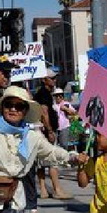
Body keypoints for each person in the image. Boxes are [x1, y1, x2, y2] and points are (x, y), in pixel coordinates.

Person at [34, 69, 72, 200]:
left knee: (41, 162)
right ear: (44, 79)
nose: (54, 80)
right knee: (52, 160)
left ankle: (44, 189)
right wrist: (49, 130)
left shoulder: (42, 93)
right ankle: (57, 189)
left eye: (55, 78)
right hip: (44, 132)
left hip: (40, 131)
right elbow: (44, 113)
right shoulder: (44, 94)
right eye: (52, 78)